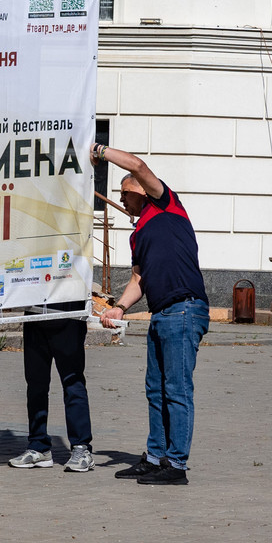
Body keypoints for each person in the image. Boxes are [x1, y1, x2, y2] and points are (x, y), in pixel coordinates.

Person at [92, 142, 210, 486]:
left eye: (124, 190)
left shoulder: (166, 203)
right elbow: (139, 278)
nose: (121, 197)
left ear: (141, 190)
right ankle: (156, 456)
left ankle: (176, 465)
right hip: (161, 314)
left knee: (176, 389)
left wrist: (98, 150)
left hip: (184, 309)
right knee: (155, 389)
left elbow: (136, 164)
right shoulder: (139, 230)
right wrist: (119, 307)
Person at [8, 308, 93, 472]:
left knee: (72, 383)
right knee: (36, 384)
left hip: (68, 314)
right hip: (36, 315)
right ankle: (39, 447)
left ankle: (82, 449)